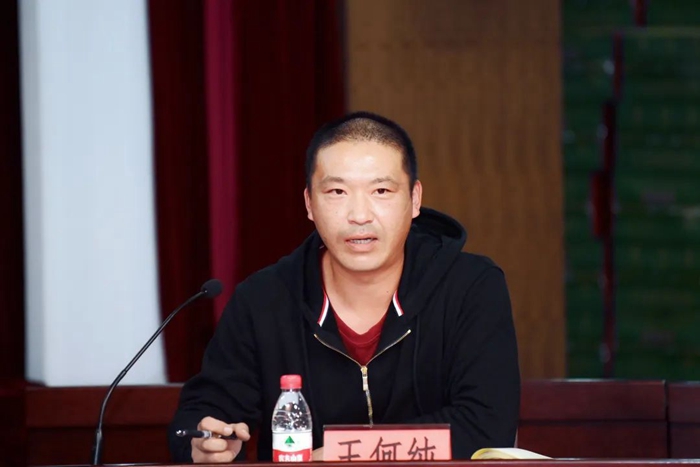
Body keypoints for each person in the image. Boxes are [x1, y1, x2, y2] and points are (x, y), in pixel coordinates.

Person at [168, 111, 520, 463]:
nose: (360, 215)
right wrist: (204, 443)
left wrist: (343, 454)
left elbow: (487, 427)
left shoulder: (471, 286)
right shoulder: (262, 300)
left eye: (381, 191)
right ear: (310, 203)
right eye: (337, 192)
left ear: (414, 199)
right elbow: (200, 416)